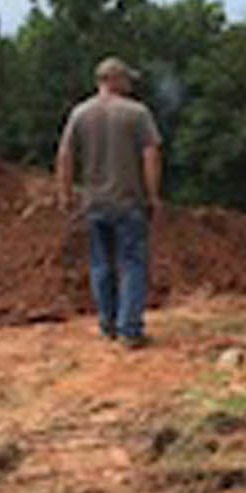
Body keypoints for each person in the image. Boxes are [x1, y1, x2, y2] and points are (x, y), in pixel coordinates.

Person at [56, 56, 162, 348]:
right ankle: (130, 330)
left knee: (101, 264)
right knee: (132, 264)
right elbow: (150, 155)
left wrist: (65, 195)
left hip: (94, 203)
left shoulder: (80, 113)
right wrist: (153, 196)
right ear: (113, 79)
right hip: (129, 201)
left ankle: (108, 325)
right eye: (126, 79)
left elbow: (65, 155)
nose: (129, 84)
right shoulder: (137, 113)